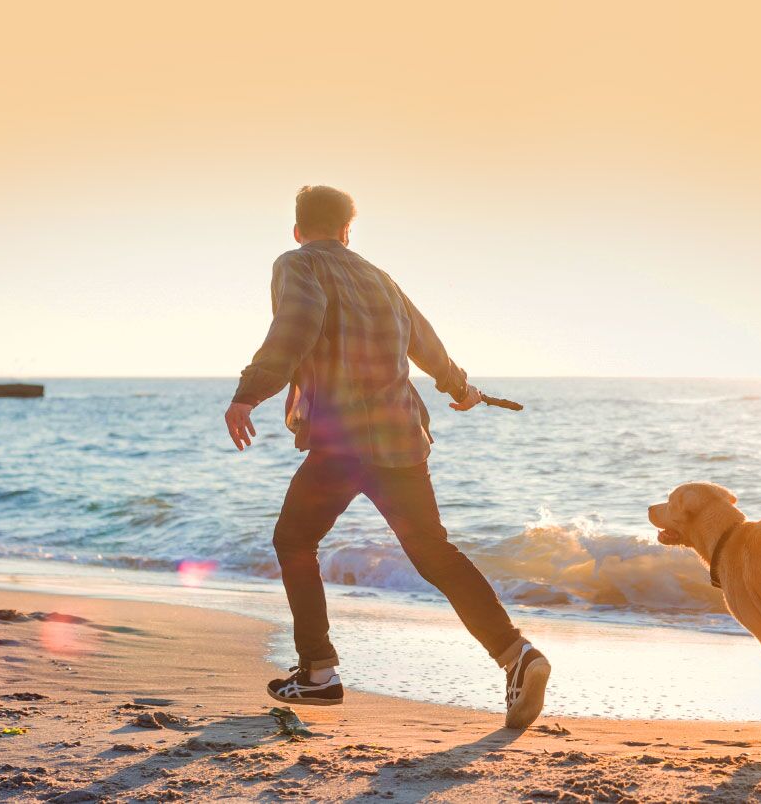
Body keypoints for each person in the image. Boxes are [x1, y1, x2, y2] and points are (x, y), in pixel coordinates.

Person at [224, 185, 550, 729]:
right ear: (349, 230)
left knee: (294, 540)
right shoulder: (380, 277)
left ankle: (318, 674)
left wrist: (248, 391)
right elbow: (426, 342)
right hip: (401, 439)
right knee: (434, 553)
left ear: (299, 229)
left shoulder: (296, 264)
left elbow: (297, 323)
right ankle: (517, 655)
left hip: (341, 442)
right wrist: (460, 387)